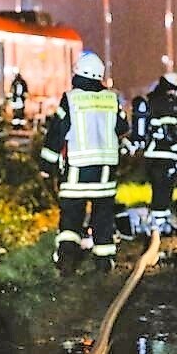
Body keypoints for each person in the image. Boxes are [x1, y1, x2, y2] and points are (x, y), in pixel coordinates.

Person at [40, 52, 130, 273]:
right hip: (105, 174)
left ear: (77, 74)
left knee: (71, 219)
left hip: (76, 173)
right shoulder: (111, 99)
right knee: (103, 218)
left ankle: (67, 263)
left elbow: (56, 134)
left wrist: (46, 166)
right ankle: (104, 262)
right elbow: (122, 128)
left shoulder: (71, 99)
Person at [142, 73, 177, 235]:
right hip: (164, 155)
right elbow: (171, 133)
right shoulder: (167, 105)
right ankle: (159, 226)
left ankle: (161, 223)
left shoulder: (153, 101)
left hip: (154, 155)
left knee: (160, 190)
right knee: (163, 191)